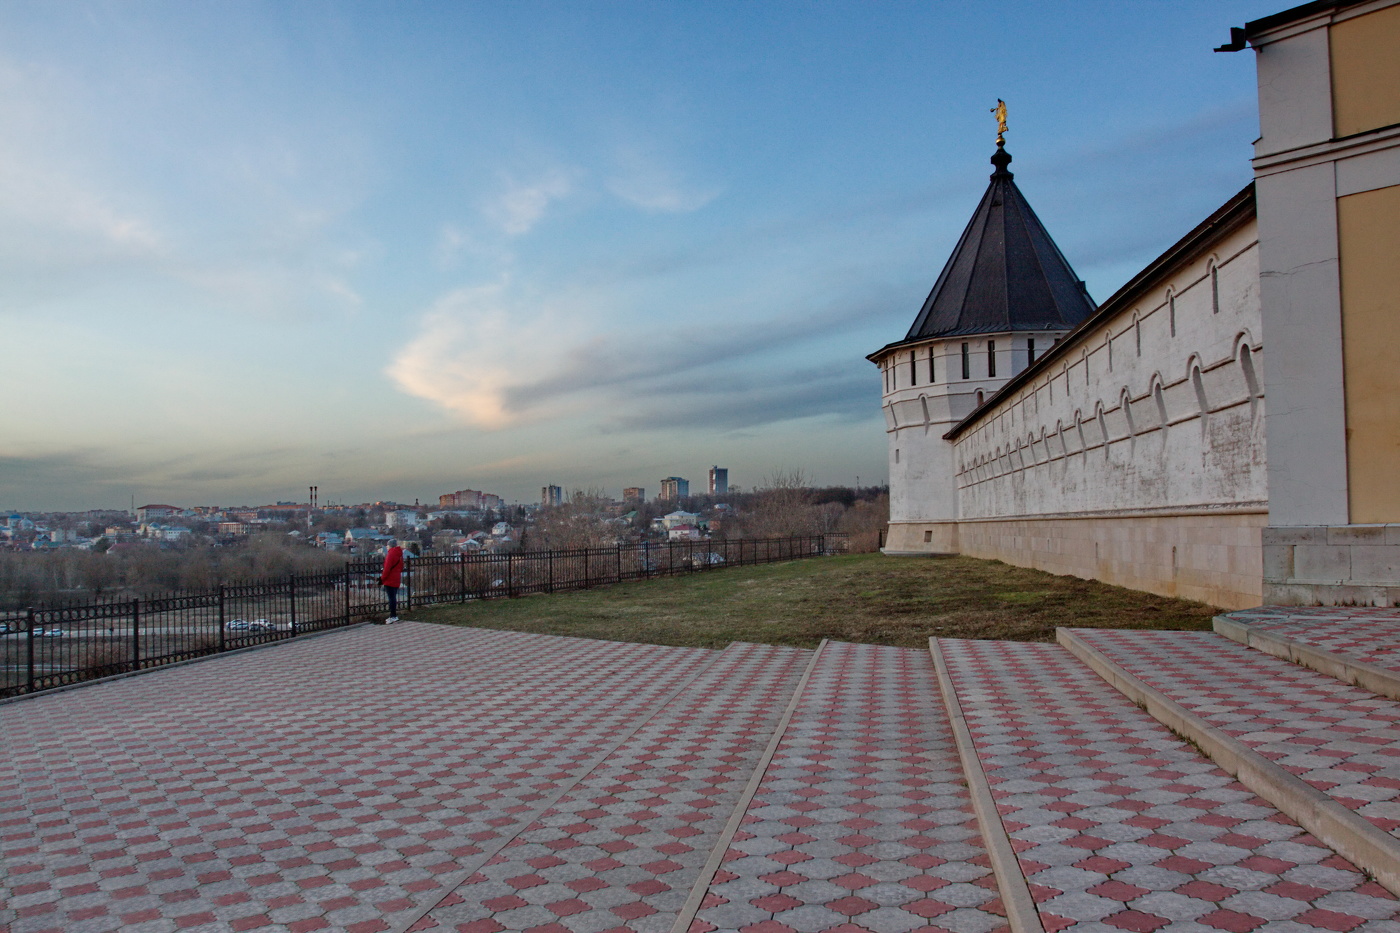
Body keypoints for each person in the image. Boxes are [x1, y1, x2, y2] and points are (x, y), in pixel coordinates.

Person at [379, 539, 405, 624]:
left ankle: (392, 616)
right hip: (396, 578)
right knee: (393, 597)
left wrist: (382, 579)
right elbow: (401, 567)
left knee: (391, 598)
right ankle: (394, 615)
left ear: (390, 545)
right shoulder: (399, 554)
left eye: (387, 545)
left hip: (389, 579)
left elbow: (387, 569)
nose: (387, 546)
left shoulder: (390, 554)